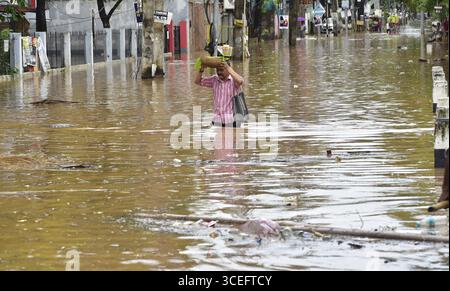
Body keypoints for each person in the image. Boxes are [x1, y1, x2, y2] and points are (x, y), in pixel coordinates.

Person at [195, 61, 244, 128]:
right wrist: (201, 70)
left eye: (221, 70)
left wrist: (228, 68)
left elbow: (241, 81)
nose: (219, 72)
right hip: (217, 121)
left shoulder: (233, 81)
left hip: (231, 121)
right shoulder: (214, 80)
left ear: (228, 70)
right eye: (217, 70)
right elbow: (197, 81)